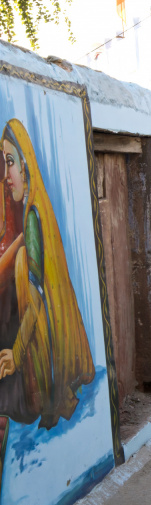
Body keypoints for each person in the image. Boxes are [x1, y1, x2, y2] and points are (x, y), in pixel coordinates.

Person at [0, 119, 94, 429]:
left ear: (25, 166)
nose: (6, 175)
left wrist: (16, 353)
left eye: (10, 163)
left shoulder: (32, 217)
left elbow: (37, 297)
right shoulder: (36, 208)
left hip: (39, 357)